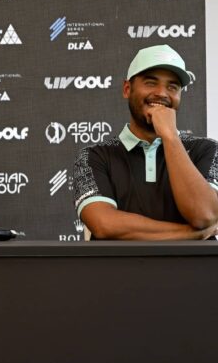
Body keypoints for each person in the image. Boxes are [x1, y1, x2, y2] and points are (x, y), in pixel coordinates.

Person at [74, 44, 218, 240]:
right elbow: (103, 224)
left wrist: (170, 136)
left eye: (172, 86)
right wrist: (190, 233)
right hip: (118, 271)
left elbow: (204, 215)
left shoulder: (207, 150)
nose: (162, 93)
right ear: (127, 89)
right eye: (151, 83)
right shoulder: (94, 156)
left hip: (191, 271)